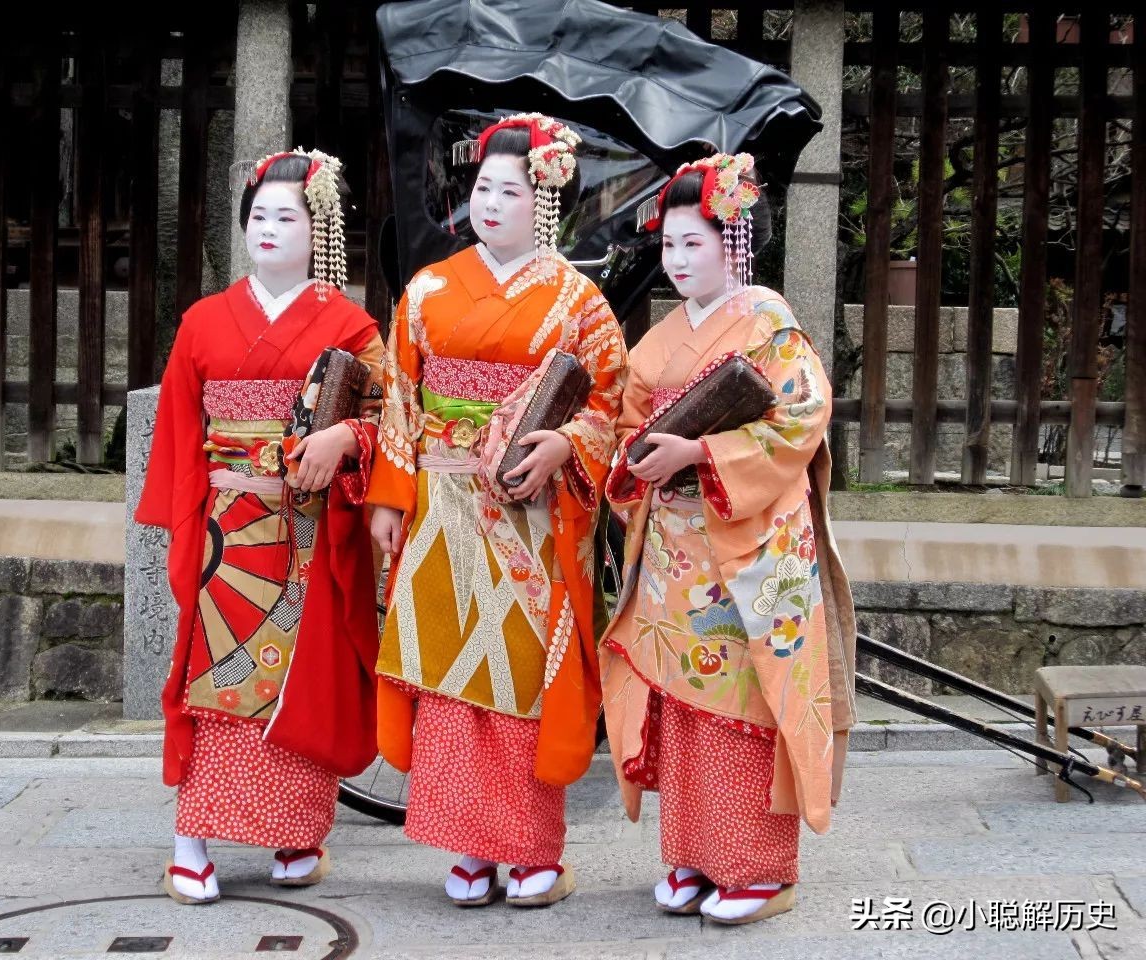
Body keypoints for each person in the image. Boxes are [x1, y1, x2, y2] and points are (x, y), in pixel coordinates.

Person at [367, 113, 627, 907]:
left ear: (544, 202)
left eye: (509, 191)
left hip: (532, 518)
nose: (489, 203)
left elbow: (610, 404)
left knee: (521, 674)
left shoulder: (580, 303)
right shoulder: (429, 290)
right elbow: (399, 406)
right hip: (444, 506)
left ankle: (531, 850)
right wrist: (390, 497)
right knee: (449, 669)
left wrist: (565, 446)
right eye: (482, 188)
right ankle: (469, 849)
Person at [600, 152, 856, 924]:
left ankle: (758, 868)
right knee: (679, 696)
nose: (677, 262)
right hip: (674, 545)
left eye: (693, 244)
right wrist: (638, 456)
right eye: (669, 246)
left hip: (749, 545)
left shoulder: (772, 326)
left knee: (746, 701)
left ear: (733, 243)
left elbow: (800, 420)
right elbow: (624, 421)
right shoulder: (664, 336)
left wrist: (701, 453)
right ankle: (690, 856)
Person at [135, 149, 384, 905]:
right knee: (216, 677)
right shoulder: (204, 322)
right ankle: (190, 839)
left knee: (306, 676)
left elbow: (385, 418)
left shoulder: (350, 323)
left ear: (322, 231)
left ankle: (296, 832)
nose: (269, 229)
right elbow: (181, 432)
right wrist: (184, 528)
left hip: (311, 528)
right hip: (228, 527)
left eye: (289, 216)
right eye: (258, 216)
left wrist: (346, 440)